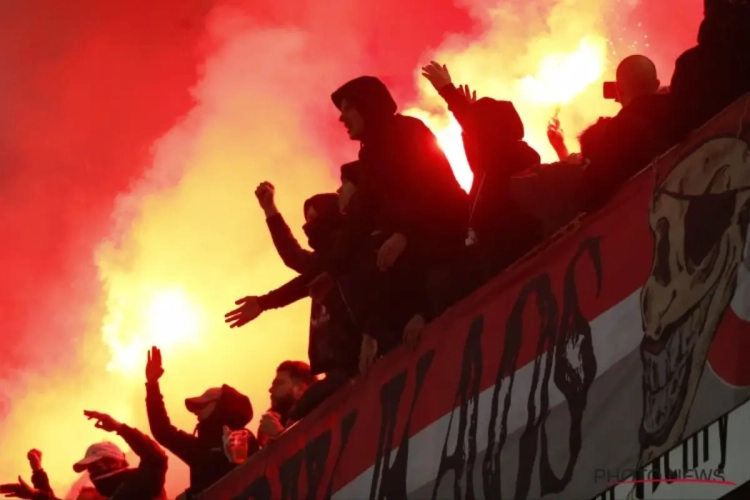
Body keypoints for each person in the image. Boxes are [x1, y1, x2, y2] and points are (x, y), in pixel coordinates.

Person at [310, 76, 469, 359]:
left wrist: (404, 232)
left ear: (367, 106)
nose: (341, 118)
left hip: (450, 249)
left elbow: (433, 186)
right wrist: (331, 271)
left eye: (348, 108)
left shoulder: (408, 131)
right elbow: (359, 218)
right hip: (421, 265)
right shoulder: (371, 156)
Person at [227, 184, 362, 403]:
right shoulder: (321, 262)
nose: (310, 226)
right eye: (307, 220)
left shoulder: (349, 255)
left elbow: (302, 272)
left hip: (357, 362)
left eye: (315, 218)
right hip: (335, 365)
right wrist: (270, 210)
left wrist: (264, 302)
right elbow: (293, 256)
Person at [421, 61, 544, 277]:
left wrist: (449, 92)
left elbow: (486, 143)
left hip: (512, 251)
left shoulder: (508, 153)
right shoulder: (496, 161)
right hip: (503, 251)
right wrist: (468, 124)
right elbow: (478, 162)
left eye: (478, 123)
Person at [144, 347, 257, 498]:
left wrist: (191, 495)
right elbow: (162, 431)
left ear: (220, 406)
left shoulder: (242, 437)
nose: (196, 411)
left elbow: (242, 477)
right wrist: (152, 385)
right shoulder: (198, 447)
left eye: (202, 405)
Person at [74, 410, 167, 499]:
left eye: (95, 467)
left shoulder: (140, 486)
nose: (93, 473)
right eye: (90, 469)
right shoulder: (119, 492)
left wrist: (120, 428)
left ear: (115, 462)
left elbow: (157, 458)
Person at [257, 361, 317, 446]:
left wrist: (279, 434)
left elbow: (312, 455)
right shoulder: (270, 424)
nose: (270, 389)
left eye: (278, 383)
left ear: (300, 389)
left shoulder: (318, 418)